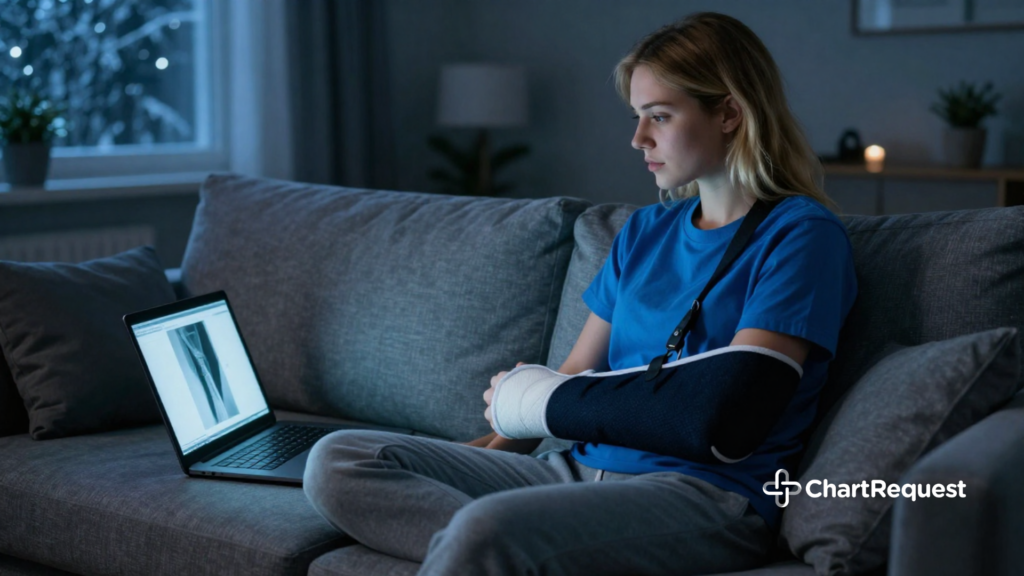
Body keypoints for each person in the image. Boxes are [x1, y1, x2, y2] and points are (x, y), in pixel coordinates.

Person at [302, 12, 857, 576]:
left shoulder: (799, 235)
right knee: (341, 458)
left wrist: (541, 403)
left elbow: (732, 407)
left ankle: (496, 547)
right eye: (639, 117)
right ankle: (506, 554)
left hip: (700, 493)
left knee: (485, 529)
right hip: (571, 472)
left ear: (730, 114)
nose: (638, 139)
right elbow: (568, 382)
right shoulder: (644, 232)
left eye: (659, 117)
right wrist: (461, 461)